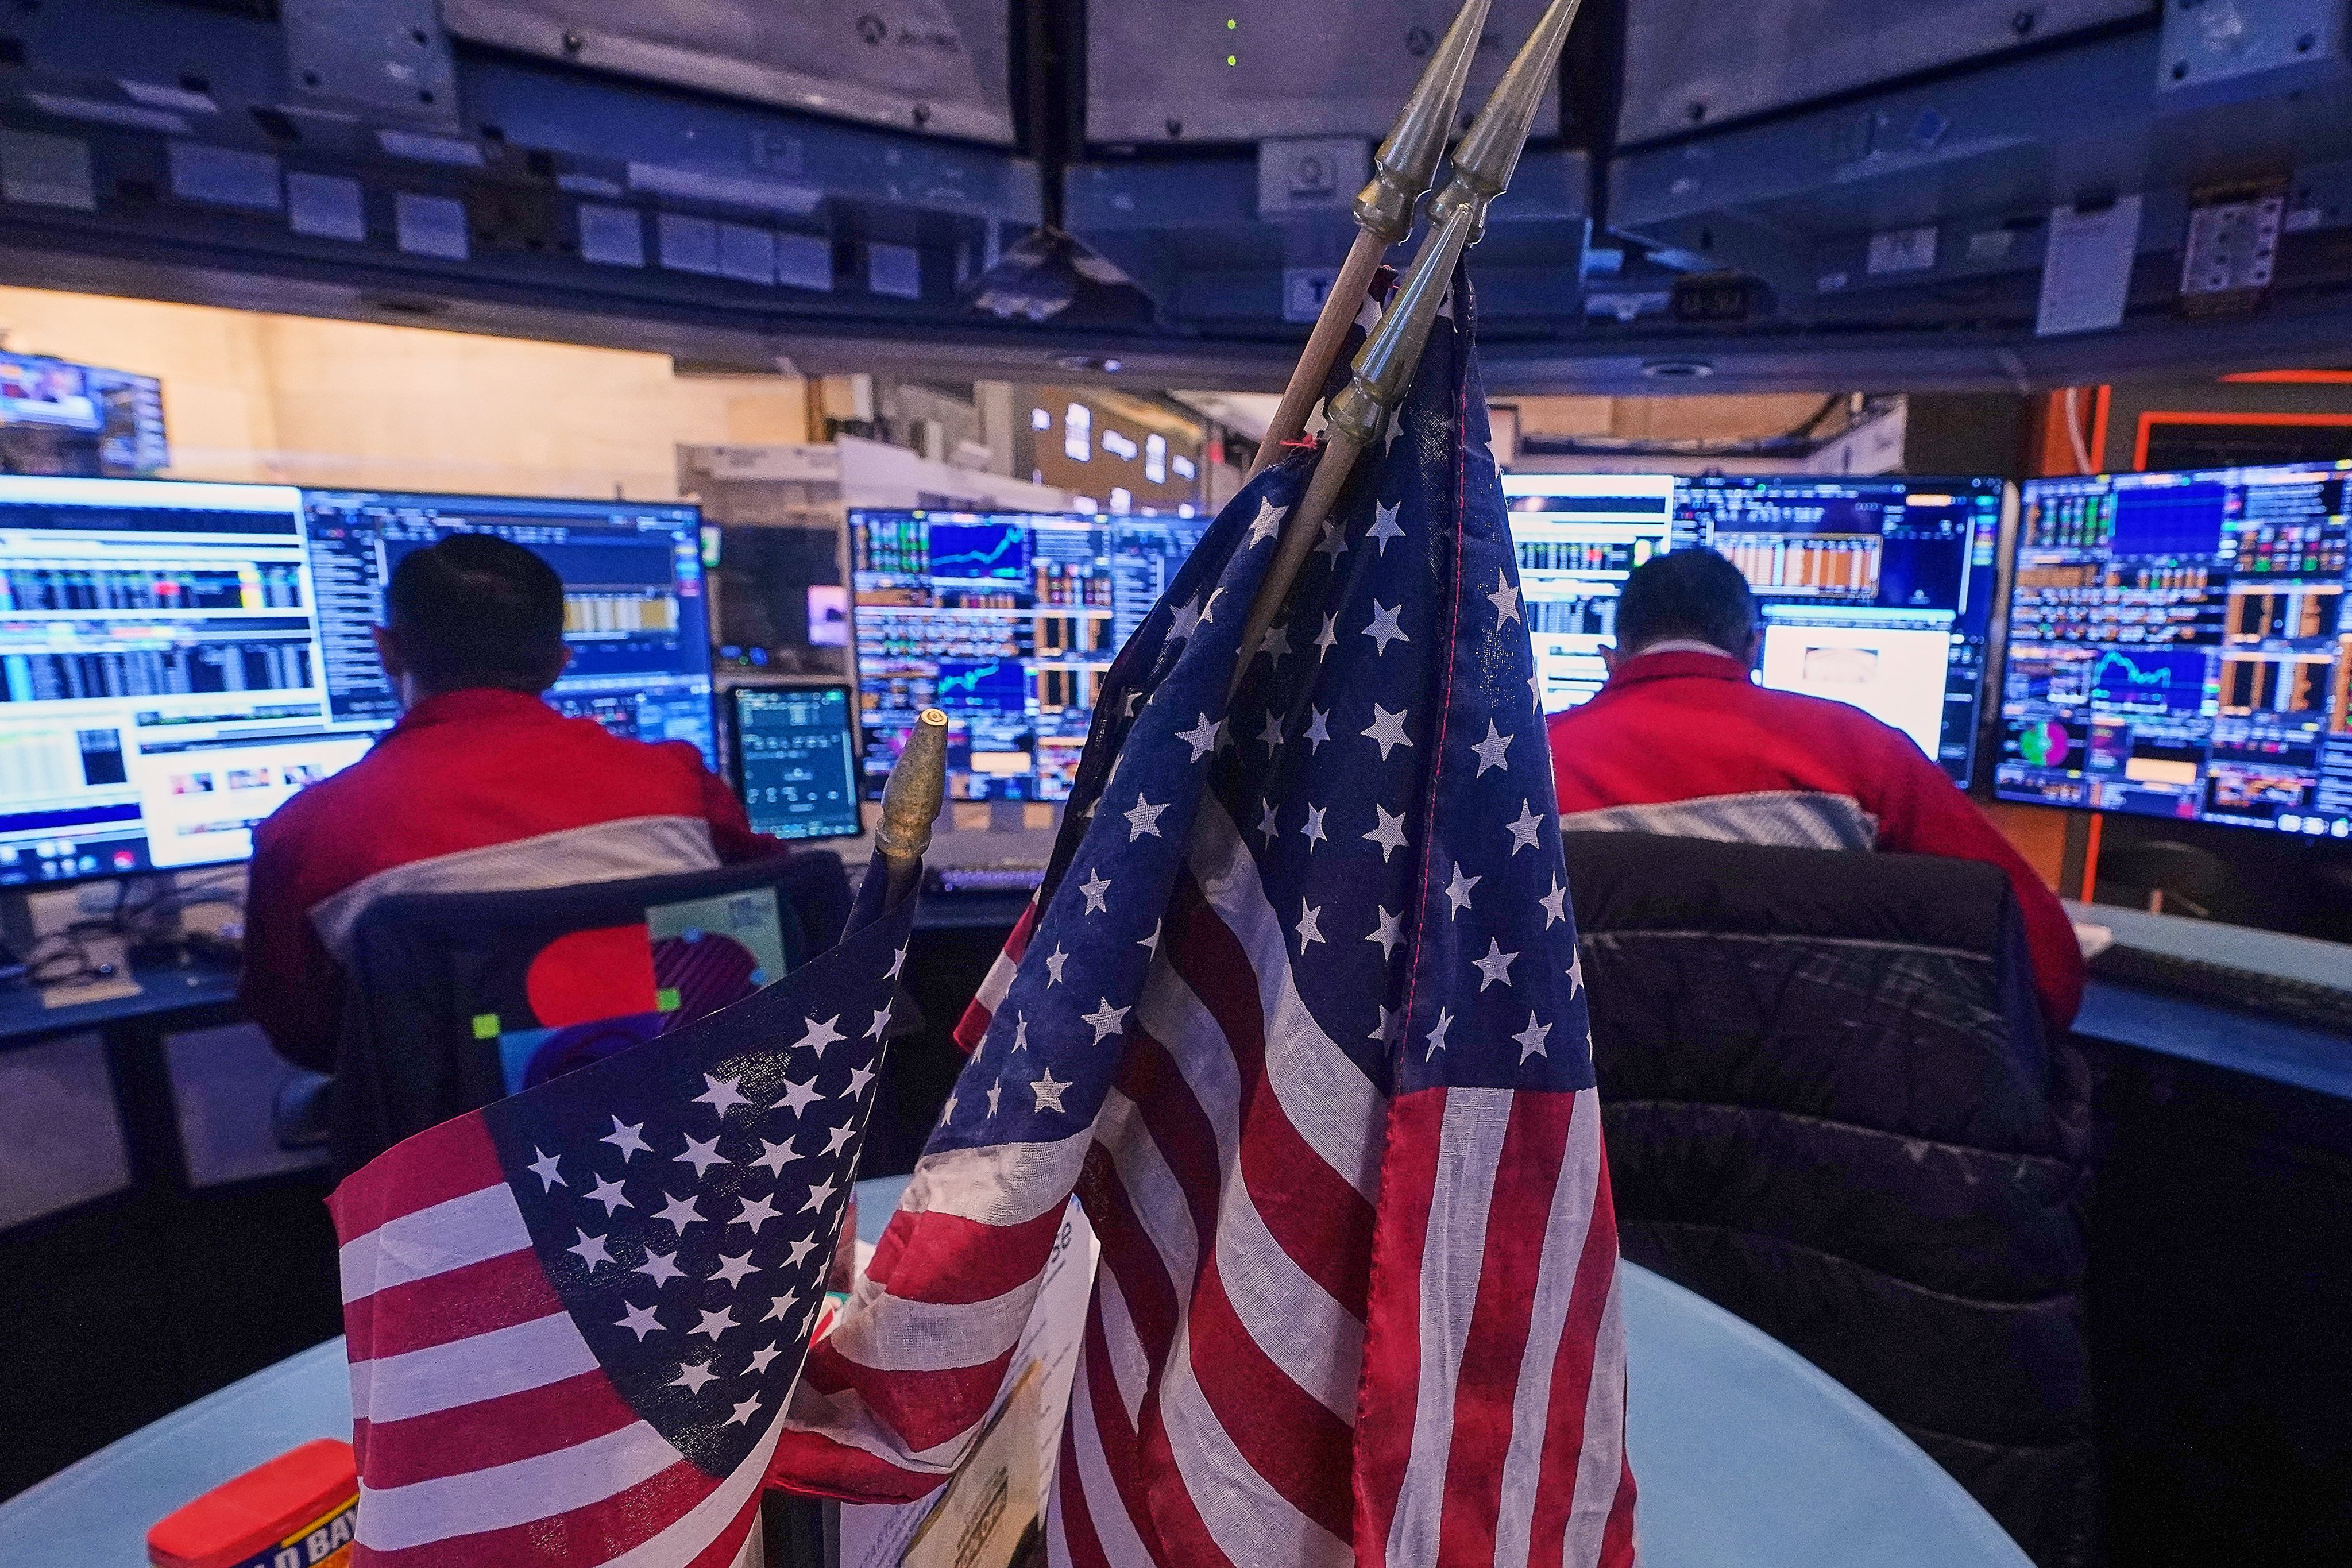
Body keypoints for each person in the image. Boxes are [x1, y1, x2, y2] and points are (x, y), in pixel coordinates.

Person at [242, 534, 779, 1071]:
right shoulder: (678, 781)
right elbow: (777, 915)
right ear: (559, 664)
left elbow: (307, 1039)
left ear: (386, 649)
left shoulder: (305, 835)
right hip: (702, 1128)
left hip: (471, 1150)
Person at [1548, 546, 2084, 1029]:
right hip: (1816, 1118)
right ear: (1752, 647)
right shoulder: (1862, 752)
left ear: (1610, 657)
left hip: (1586, 1125)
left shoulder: (1528, 763)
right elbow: (2047, 971)